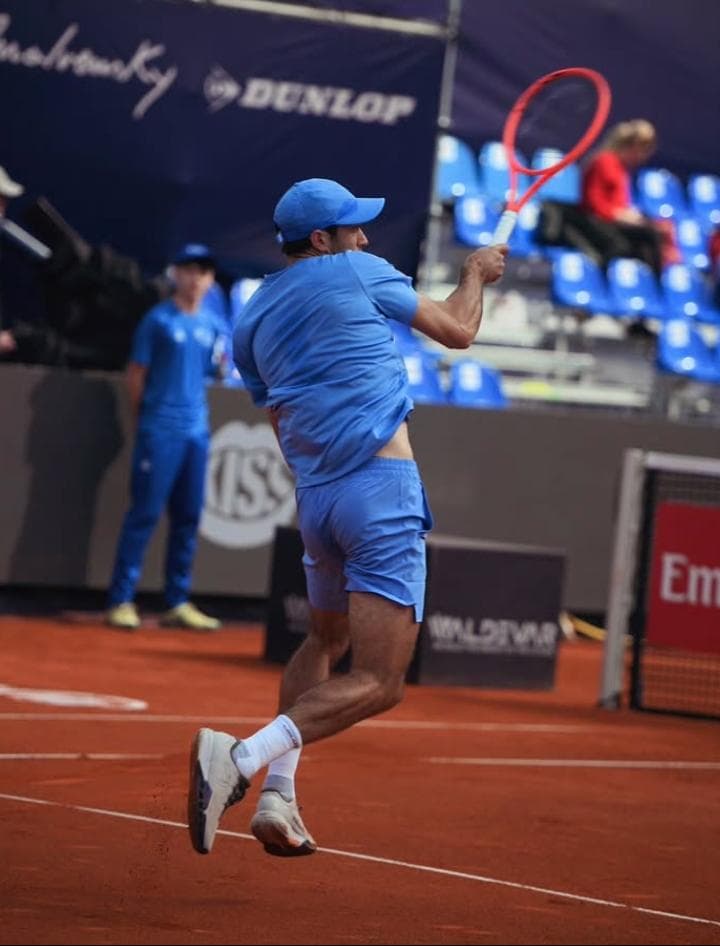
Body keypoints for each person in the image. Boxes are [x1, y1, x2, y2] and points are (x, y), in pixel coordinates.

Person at [187, 178, 507, 857]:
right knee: (381, 682)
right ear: (322, 240)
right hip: (380, 493)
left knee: (323, 640)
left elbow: (280, 419)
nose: (364, 237)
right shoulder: (356, 269)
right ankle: (242, 758)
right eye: (353, 228)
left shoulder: (250, 318)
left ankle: (279, 796)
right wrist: (476, 273)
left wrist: (321, 482)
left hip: (317, 500)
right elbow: (458, 331)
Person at [106, 243, 226, 632]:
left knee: (188, 518)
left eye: (203, 271)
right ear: (176, 274)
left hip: (196, 433)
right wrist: (145, 421)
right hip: (159, 431)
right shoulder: (157, 321)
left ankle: (177, 601)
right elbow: (135, 375)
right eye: (189, 270)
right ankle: (121, 599)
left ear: (210, 279)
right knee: (143, 515)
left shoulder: (213, 325)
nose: (195, 278)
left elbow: (212, 372)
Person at [580, 119, 680, 275]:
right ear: (631, 146)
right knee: (648, 236)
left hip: (615, 221)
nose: (642, 157)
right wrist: (617, 215)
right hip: (599, 222)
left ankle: (650, 282)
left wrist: (631, 216)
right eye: (642, 150)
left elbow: (620, 203)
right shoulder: (603, 162)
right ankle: (655, 281)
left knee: (655, 231)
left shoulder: (621, 168)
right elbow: (592, 203)